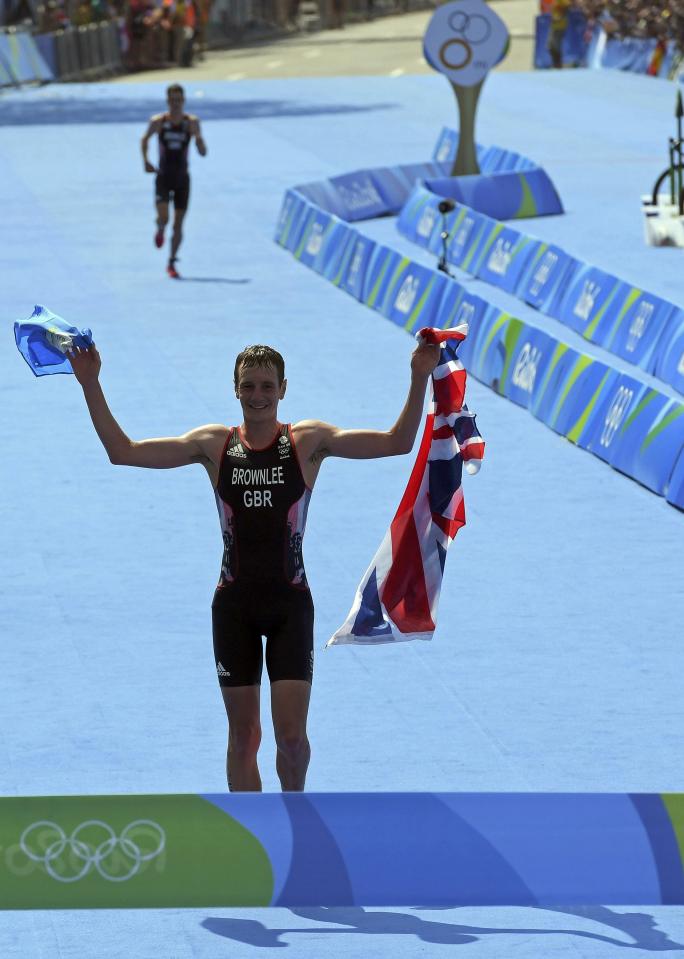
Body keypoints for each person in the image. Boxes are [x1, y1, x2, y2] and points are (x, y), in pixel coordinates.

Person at [66, 339, 440, 791]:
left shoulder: (307, 442)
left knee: (292, 742)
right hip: (233, 608)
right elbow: (122, 451)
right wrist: (90, 383)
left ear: (283, 389)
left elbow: (397, 443)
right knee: (244, 738)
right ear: (235, 389)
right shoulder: (213, 446)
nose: (257, 395)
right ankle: (252, 835)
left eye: (266, 386)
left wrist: (419, 375)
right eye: (248, 386)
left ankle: (295, 814)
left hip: (290, 607)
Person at [141, 83, 207, 279]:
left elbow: (203, 152)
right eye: (173, 100)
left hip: (182, 179)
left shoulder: (191, 122)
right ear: (168, 101)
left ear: (183, 101)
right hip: (163, 176)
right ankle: (160, 227)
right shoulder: (159, 121)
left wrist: (199, 141)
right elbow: (144, 140)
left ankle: (171, 261)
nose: (176, 104)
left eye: (179, 100)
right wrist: (146, 161)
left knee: (178, 224)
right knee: (165, 217)